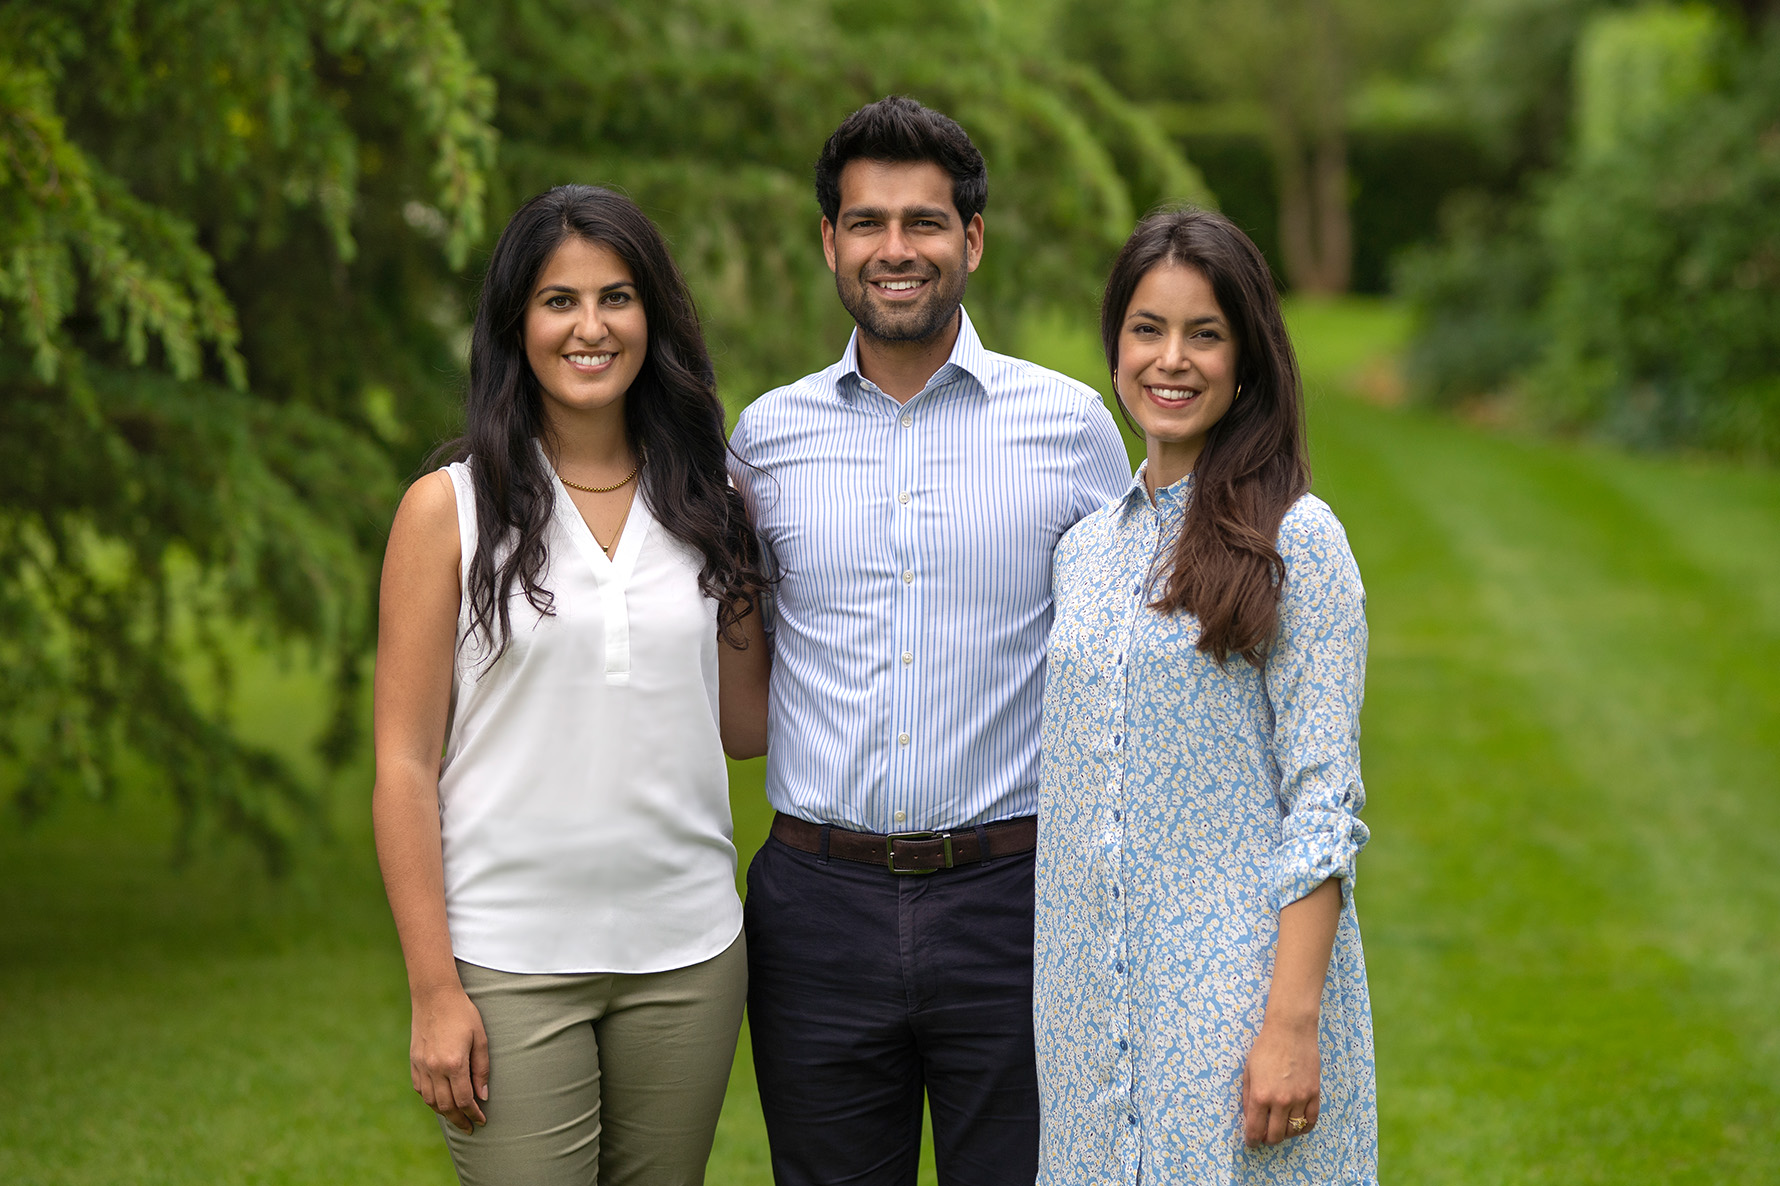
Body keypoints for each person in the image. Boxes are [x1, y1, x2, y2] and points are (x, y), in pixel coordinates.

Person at [724, 96, 1131, 1185]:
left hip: (1017, 899)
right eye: (865, 222)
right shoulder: (764, 440)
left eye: (923, 221)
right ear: (829, 242)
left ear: (973, 239)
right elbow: (736, 678)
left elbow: (1143, 648)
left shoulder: (1072, 429)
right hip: (816, 909)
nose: (893, 249)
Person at [371, 184, 769, 1186]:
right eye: (558, 300)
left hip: (687, 954)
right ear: (516, 323)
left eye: (616, 297)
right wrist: (433, 989)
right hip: (509, 959)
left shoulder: (714, 500)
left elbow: (744, 723)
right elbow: (403, 764)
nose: (589, 327)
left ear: (654, 318)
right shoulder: (446, 509)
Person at [1033, 208, 1377, 1184]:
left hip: (1235, 1017)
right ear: (1114, 347)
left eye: (1204, 333)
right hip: (1088, 1022)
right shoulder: (1084, 549)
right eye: (1147, 329)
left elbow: (1323, 804)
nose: (1170, 359)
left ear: (1246, 359)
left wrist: (1289, 1027)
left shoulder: (1298, 541)